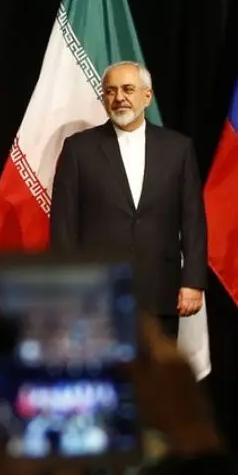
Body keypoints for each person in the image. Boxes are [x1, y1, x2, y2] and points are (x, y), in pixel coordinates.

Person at [49, 61, 207, 338]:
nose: (119, 97)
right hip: (97, 294)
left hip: (160, 291)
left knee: (157, 366)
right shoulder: (78, 148)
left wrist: (193, 281)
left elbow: (193, 220)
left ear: (147, 96)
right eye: (110, 91)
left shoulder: (178, 149)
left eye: (127, 89)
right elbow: (64, 224)